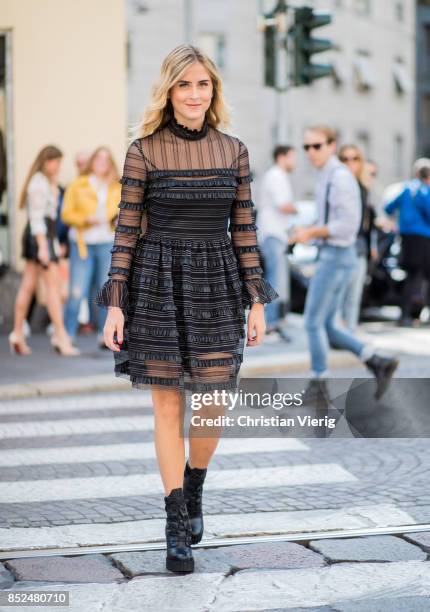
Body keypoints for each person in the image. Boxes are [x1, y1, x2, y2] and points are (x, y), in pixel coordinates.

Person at [96, 44, 278, 574]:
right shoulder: (144, 151)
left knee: (214, 398)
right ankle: (176, 523)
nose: (195, 94)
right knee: (168, 406)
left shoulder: (234, 151)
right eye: (184, 85)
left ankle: (194, 485)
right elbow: (126, 230)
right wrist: (115, 303)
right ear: (169, 91)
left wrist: (256, 301)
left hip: (217, 282)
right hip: (156, 281)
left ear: (213, 91)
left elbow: (245, 229)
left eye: (203, 84)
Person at [289, 125, 398, 399]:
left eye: (317, 146)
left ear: (331, 145)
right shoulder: (325, 175)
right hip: (333, 255)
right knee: (327, 325)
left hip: (338, 257)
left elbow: (346, 227)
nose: (311, 152)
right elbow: (328, 221)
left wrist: (312, 232)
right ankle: (377, 361)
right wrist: (308, 232)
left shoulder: (339, 178)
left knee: (312, 322)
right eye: (307, 147)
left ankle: (319, 384)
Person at [9, 146, 79, 356]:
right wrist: (43, 247)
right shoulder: (39, 182)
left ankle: (18, 333)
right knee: (52, 288)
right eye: (54, 161)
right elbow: (38, 219)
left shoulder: (45, 182)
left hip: (44, 236)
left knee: (30, 285)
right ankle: (60, 336)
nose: (57, 165)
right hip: (40, 237)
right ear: (44, 160)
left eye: (59, 161)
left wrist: (50, 244)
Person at [62, 146, 121, 348]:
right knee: (77, 291)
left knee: (104, 290)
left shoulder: (116, 186)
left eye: (106, 159)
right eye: (98, 158)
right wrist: (86, 219)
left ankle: (103, 336)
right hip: (82, 244)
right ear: (92, 161)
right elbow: (66, 214)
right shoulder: (78, 185)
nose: (102, 162)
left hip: (106, 242)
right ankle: (66, 335)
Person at [258, 145, 297, 341]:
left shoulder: (278, 176)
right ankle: (271, 325)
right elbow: (284, 205)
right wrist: (296, 210)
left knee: (278, 281)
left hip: (276, 234)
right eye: (292, 157)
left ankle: (274, 323)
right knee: (276, 281)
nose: (295, 162)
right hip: (273, 235)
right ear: (282, 157)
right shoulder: (276, 175)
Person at [385, 162, 430, 326]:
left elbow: (388, 208)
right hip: (423, 239)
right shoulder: (425, 191)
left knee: (411, 276)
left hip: (406, 239)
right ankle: (419, 313)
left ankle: (404, 315)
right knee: (425, 276)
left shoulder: (406, 189)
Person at [338, 145, 377, 332]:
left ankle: (350, 332)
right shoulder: (338, 185)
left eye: (354, 158)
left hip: (360, 245)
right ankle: (339, 333)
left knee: (354, 294)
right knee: (340, 293)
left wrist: (373, 245)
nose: (350, 163)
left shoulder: (363, 187)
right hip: (342, 245)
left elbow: (368, 221)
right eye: (345, 159)